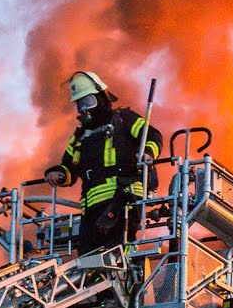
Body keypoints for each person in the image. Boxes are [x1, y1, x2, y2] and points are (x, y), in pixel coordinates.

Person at [44, 71, 162, 255]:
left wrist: (148, 153)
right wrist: (57, 174)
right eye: (80, 104)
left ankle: (128, 280)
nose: (84, 109)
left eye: (88, 102)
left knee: (118, 252)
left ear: (101, 98)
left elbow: (153, 136)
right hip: (91, 207)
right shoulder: (80, 136)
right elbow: (68, 168)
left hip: (123, 197)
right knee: (87, 256)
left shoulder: (124, 119)